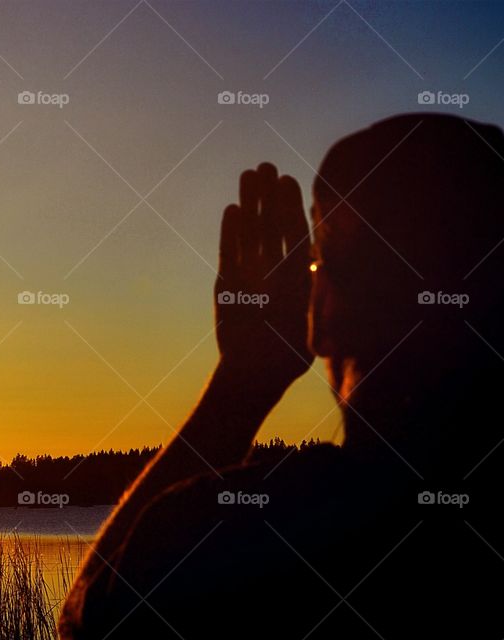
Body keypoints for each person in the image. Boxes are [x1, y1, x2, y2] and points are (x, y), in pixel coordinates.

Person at [59, 113, 504, 639]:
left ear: (326, 313)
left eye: (317, 262)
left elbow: (84, 625)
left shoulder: (230, 537)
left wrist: (242, 386)